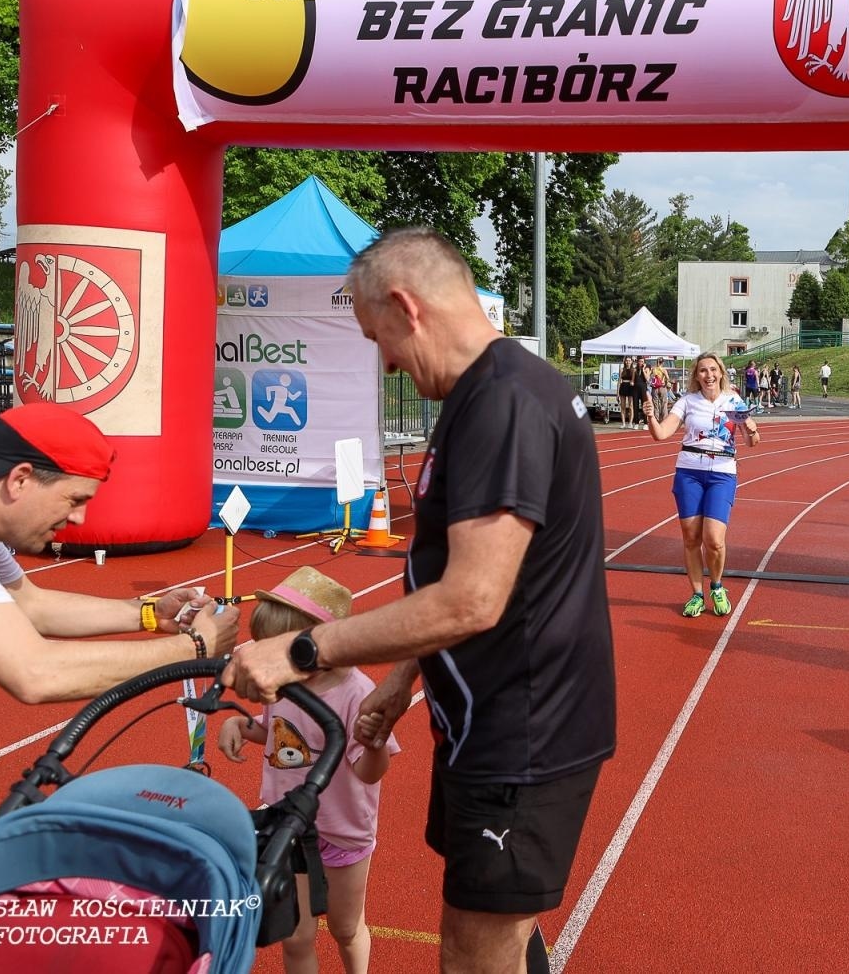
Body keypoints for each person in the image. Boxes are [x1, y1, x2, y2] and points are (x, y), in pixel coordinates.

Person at [222, 227, 615, 974]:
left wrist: (303, 650)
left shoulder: (501, 403)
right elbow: (472, 586)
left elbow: (472, 598)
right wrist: (404, 682)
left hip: (524, 734)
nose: (386, 359)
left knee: (473, 951)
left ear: (406, 307)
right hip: (496, 724)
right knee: (507, 928)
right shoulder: (494, 393)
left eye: (378, 337)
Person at [0, 401, 239, 895]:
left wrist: (146, 613)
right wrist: (192, 649)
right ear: (19, 480)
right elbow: (35, 674)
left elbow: (30, 606)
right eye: (75, 498)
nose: (80, 518)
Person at [218, 567, 399, 974]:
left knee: (345, 928)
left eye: (282, 648)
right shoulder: (280, 686)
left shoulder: (357, 693)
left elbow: (370, 773)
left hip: (342, 832)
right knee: (296, 937)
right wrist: (237, 724)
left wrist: (373, 743)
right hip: (290, 830)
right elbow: (275, 731)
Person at [642, 352, 760, 618]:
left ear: (721, 373)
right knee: (691, 537)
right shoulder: (687, 402)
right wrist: (650, 416)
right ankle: (697, 594)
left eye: (713, 370)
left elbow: (753, 443)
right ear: (696, 375)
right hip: (689, 473)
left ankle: (717, 586)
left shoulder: (735, 401)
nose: (708, 375)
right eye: (703, 371)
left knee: (714, 540)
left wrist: (751, 427)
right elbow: (661, 434)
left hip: (722, 473)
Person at [617, 356, 635, 428]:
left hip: (631, 387)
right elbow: (619, 381)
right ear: (625, 361)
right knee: (623, 406)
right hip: (623, 386)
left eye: (629, 360)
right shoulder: (621, 369)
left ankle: (630, 423)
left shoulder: (633, 370)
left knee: (631, 406)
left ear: (631, 361)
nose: (628, 362)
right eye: (626, 360)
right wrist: (617, 393)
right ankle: (623, 423)